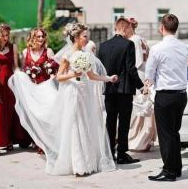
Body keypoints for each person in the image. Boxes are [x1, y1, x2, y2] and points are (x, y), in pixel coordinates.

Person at [9, 22, 116, 175]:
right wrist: (74, 74)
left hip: (85, 93)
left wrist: (108, 78)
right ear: (77, 38)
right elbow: (59, 77)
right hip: (72, 93)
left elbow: (92, 76)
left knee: (86, 124)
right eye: (85, 37)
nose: (87, 39)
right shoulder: (67, 55)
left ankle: (89, 161)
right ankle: (78, 164)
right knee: (75, 125)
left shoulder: (86, 55)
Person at [145, 14, 188, 181]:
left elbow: (149, 73)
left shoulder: (157, 48)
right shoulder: (184, 47)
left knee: (166, 135)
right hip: (181, 95)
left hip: (165, 95)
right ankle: (176, 168)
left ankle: (169, 171)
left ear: (162, 28)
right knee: (174, 133)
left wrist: (148, 85)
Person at [98, 17, 144, 164]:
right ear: (124, 29)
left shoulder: (103, 45)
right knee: (123, 122)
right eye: (128, 29)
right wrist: (141, 86)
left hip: (109, 89)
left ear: (115, 28)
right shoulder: (128, 45)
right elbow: (131, 68)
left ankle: (110, 152)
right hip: (124, 90)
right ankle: (122, 154)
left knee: (110, 121)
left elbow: (101, 69)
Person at [21, 28, 59, 154]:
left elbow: (55, 70)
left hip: (46, 88)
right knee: (34, 115)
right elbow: (22, 70)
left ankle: (46, 144)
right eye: (38, 36)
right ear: (32, 38)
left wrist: (51, 78)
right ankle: (37, 141)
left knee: (46, 116)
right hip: (31, 89)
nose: (41, 39)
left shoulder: (49, 51)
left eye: (42, 36)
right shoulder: (25, 52)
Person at [127, 17, 157, 152]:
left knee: (138, 110)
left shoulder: (132, 41)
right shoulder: (142, 39)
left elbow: (135, 62)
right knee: (145, 107)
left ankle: (137, 141)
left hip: (137, 75)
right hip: (145, 74)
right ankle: (147, 139)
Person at [0, 24, 19, 156]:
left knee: (9, 112)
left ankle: (8, 140)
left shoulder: (13, 47)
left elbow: (15, 66)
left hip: (10, 83)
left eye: (7, 35)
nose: (6, 38)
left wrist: (21, 78)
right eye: (3, 35)